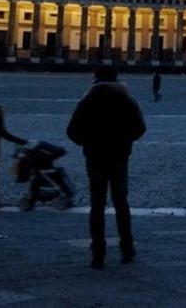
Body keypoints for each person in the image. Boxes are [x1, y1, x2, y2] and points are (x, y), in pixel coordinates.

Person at [66, 66, 147, 269]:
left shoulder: (89, 99)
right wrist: (125, 142)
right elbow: (140, 128)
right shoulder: (126, 99)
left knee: (97, 206)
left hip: (95, 157)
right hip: (119, 157)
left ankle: (98, 254)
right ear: (116, 77)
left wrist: (87, 143)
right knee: (121, 203)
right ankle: (127, 248)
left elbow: (72, 130)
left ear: (96, 78)